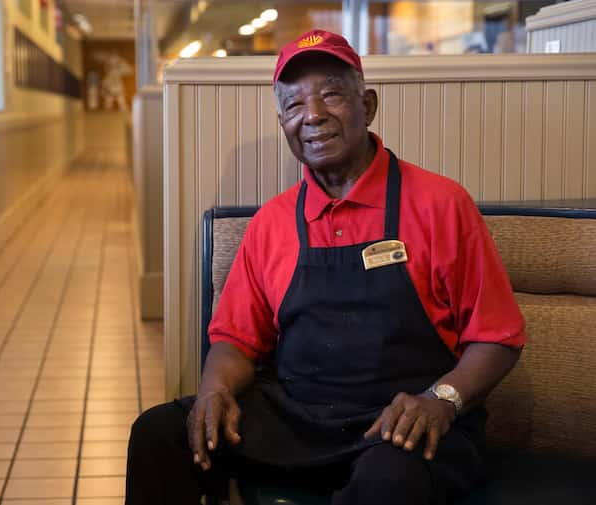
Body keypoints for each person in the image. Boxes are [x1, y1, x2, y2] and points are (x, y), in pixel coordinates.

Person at [126, 29, 526, 505]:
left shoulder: (442, 204)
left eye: (332, 95)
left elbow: (498, 338)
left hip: (406, 423)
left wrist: (443, 400)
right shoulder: (271, 223)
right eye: (294, 105)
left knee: (388, 480)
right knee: (158, 433)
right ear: (283, 121)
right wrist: (214, 389)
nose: (312, 115)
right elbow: (234, 339)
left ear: (368, 105)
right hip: (298, 419)